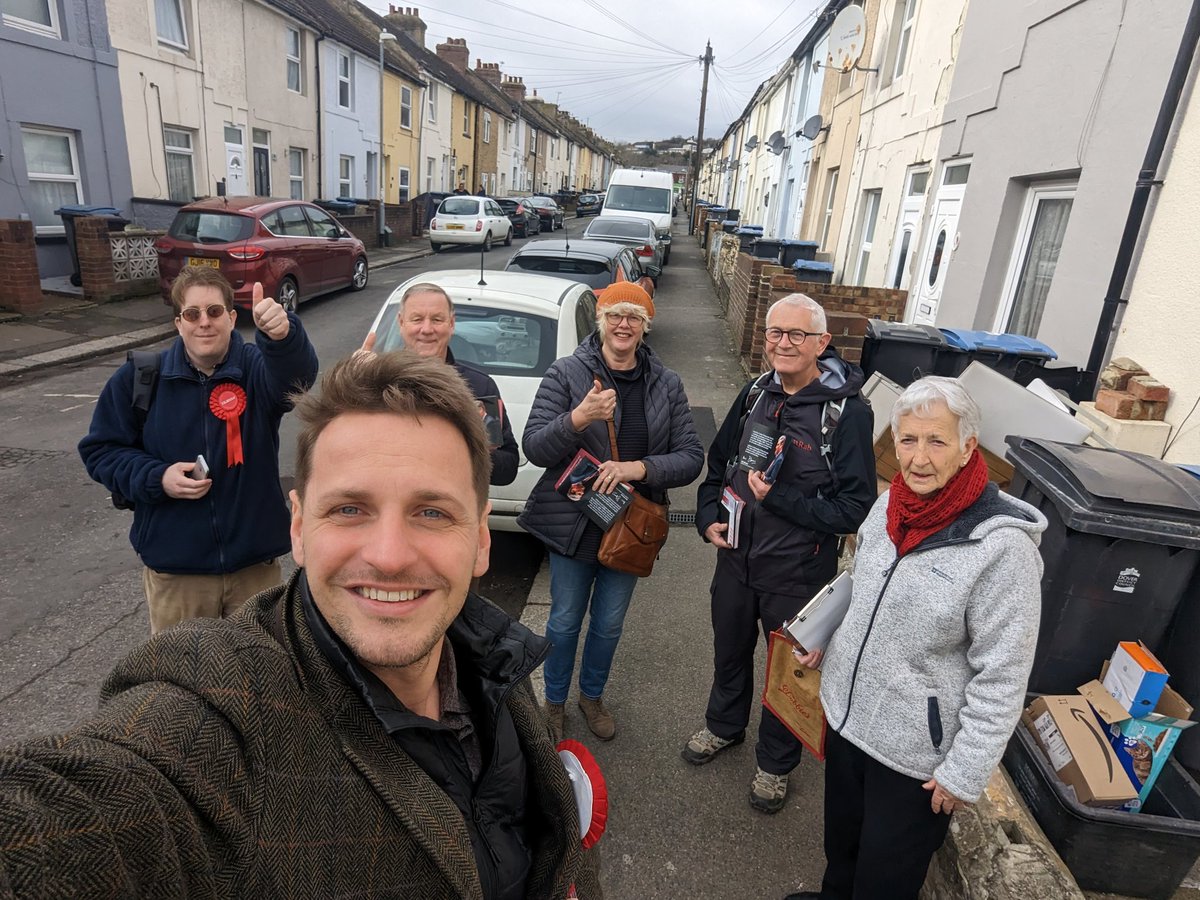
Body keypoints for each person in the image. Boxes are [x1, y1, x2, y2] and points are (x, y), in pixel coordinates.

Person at [2, 352, 600, 899]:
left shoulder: (492, 658)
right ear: (298, 527)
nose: (389, 555)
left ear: (478, 542)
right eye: (348, 509)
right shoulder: (222, 713)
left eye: (431, 512)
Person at [785, 376, 1047, 900]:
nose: (918, 458)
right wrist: (827, 634)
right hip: (846, 720)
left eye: (936, 441)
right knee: (841, 851)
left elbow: (1004, 675)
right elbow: (863, 584)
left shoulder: (1002, 552)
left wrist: (964, 772)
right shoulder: (888, 506)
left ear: (968, 446)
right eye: (908, 440)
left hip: (912, 761)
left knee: (884, 881)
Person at [683, 293, 875, 813]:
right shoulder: (754, 393)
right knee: (728, 652)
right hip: (736, 560)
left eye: (797, 335)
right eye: (775, 333)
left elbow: (856, 507)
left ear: (822, 344)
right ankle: (723, 727)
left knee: (788, 671)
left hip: (797, 573)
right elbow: (719, 461)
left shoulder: (846, 414)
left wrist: (782, 500)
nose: (783, 344)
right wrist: (707, 519)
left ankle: (775, 764)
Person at [78, 266, 318, 633]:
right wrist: (157, 476)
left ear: (232, 317)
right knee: (183, 680)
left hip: (254, 569)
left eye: (215, 311)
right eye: (192, 314)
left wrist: (283, 337)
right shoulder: (140, 378)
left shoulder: (256, 368)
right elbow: (101, 451)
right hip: (178, 573)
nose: (204, 322)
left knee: (258, 676)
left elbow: (296, 380)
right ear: (179, 323)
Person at [520, 281, 702, 743]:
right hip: (575, 521)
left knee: (608, 623)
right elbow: (535, 447)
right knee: (563, 620)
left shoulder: (667, 384)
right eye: (616, 315)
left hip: (630, 526)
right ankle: (555, 700)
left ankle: (592, 696)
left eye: (634, 317)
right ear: (601, 321)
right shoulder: (566, 374)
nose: (624, 325)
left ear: (645, 327)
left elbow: (691, 457)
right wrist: (578, 418)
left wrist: (636, 468)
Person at [375, 282, 519, 486]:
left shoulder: (478, 387)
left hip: (453, 511)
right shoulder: (376, 382)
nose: (426, 329)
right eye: (417, 319)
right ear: (401, 323)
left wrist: (465, 447)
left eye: (437, 319)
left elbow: (508, 470)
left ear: (451, 324)